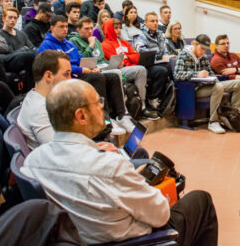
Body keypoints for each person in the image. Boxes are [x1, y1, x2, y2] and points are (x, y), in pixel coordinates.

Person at [22, 79, 218, 245]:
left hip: (78, 238)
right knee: (201, 200)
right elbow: (160, 214)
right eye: (97, 102)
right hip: (133, 241)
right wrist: (140, 183)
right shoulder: (109, 167)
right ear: (80, 116)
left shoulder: (32, 161)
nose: (102, 106)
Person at [37, 15, 132, 128]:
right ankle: (105, 119)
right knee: (98, 77)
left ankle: (121, 116)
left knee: (113, 76)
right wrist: (82, 69)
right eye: (61, 26)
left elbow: (81, 59)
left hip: (80, 73)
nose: (65, 29)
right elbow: (57, 68)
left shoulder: (69, 44)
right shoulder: (46, 46)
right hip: (66, 78)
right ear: (52, 28)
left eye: (66, 26)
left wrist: (92, 68)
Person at [69, 17, 155, 120]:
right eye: (86, 29)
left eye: (91, 28)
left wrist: (113, 63)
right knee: (116, 73)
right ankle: (123, 112)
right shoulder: (74, 41)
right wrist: (90, 45)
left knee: (140, 69)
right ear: (78, 29)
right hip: (88, 70)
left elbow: (101, 59)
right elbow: (82, 60)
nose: (90, 31)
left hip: (103, 67)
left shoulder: (97, 42)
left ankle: (141, 106)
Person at [174, 34, 240, 134]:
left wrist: (211, 77)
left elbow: (211, 73)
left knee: (239, 84)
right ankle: (213, 121)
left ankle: (236, 117)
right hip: (193, 89)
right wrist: (196, 74)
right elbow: (177, 74)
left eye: (205, 49)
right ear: (195, 44)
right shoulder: (183, 55)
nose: (203, 51)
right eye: (201, 48)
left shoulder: (204, 57)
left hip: (208, 85)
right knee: (218, 87)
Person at [102, 18, 166, 118]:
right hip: (118, 71)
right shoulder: (105, 45)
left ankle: (146, 103)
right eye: (115, 28)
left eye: (120, 28)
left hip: (131, 68)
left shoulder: (125, 43)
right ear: (109, 29)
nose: (119, 30)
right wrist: (128, 58)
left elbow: (136, 57)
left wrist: (127, 57)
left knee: (156, 70)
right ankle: (142, 106)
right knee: (140, 70)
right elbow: (116, 61)